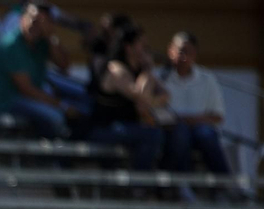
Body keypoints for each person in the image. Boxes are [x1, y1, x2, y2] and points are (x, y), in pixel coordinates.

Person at [0, 2, 76, 139]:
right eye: (32, 19)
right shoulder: (11, 44)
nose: (34, 25)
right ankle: (53, 158)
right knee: (55, 117)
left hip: (33, 99)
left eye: (41, 22)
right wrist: (61, 106)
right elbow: (26, 89)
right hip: (10, 101)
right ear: (22, 18)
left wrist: (50, 36)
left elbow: (64, 64)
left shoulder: (41, 42)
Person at [86, 25, 165, 171]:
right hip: (105, 129)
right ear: (129, 48)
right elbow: (141, 97)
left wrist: (151, 98)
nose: (146, 50)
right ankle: (138, 184)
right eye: (142, 45)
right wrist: (147, 71)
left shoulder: (139, 70)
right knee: (152, 135)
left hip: (126, 127)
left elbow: (165, 95)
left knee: (166, 133)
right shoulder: (116, 69)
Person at [157, 31, 231, 175]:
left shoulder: (207, 79)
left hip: (200, 129)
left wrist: (191, 120)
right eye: (180, 51)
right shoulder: (159, 77)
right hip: (170, 131)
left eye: (188, 52)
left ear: (195, 54)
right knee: (180, 134)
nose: (183, 57)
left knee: (206, 135)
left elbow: (217, 116)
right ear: (170, 51)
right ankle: (181, 185)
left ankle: (224, 184)